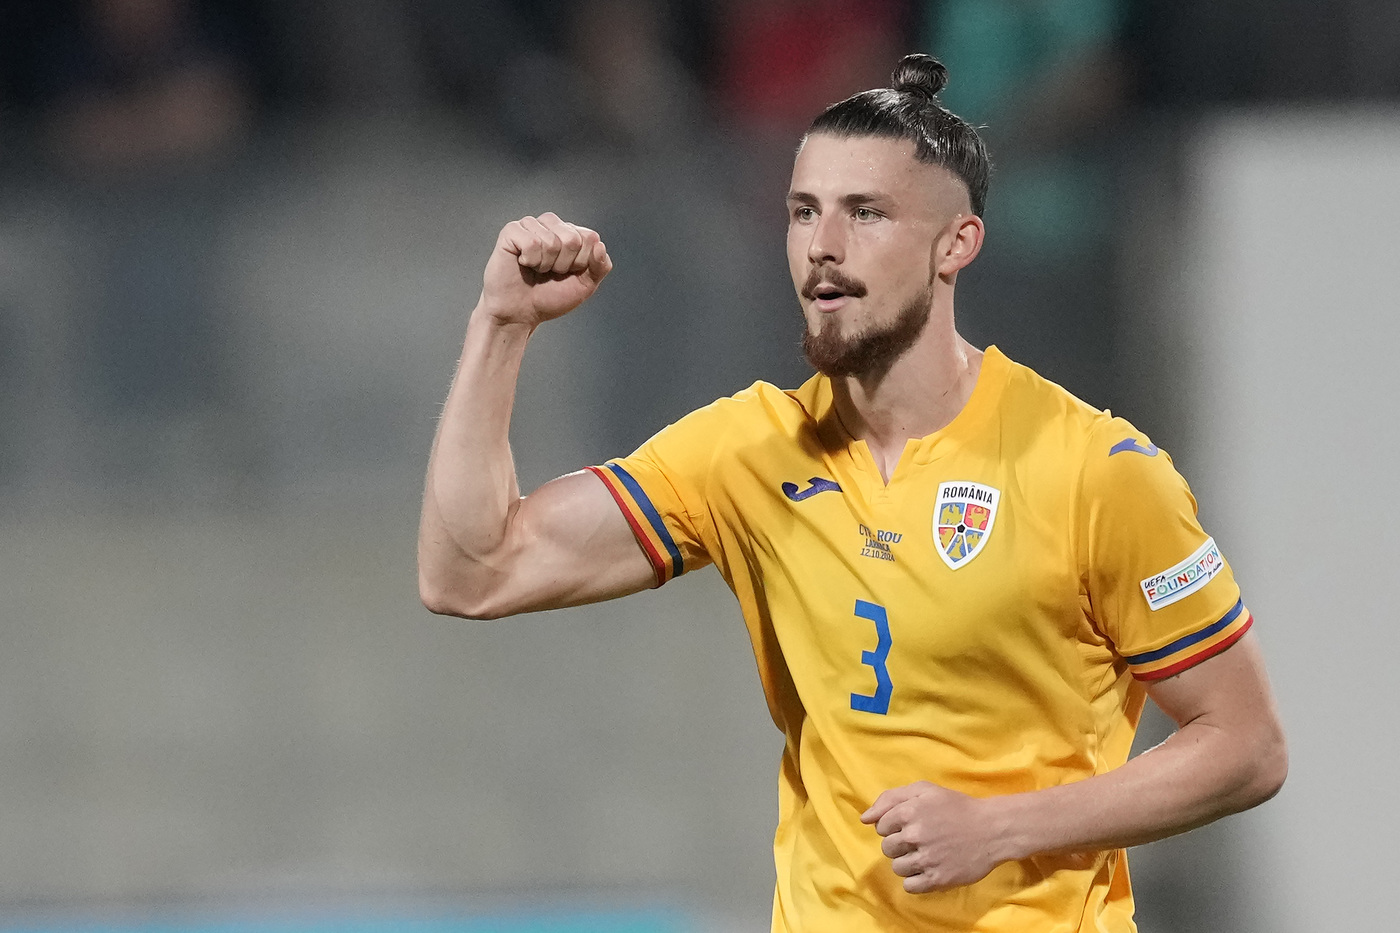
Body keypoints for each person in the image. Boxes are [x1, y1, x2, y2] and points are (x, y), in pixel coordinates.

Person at [418, 54, 1287, 933]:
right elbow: (474, 570)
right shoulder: (748, 451)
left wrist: (1000, 826)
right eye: (804, 211)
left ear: (957, 244)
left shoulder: (1095, 469)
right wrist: (501, 326)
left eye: (865, 212)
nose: (822, 245)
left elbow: (1246, 746)